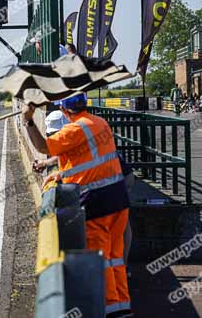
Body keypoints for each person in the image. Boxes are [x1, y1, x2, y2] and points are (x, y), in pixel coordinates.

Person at [22, 94, 131, 317]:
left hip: (95, 203)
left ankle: (111, 309)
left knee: (100, 257)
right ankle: (122, 305)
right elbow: (85, 160)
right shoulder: (99, 123)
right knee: (115, 256)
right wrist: (62, 173)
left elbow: (44, 147)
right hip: (118, 199)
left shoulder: (75, 130)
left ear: (64, 111)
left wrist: (29, 120)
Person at [33, 109, 135, 280]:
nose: (56, 138)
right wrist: (48, 164)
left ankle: (120, 267)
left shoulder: (77, 133)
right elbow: (65, 155)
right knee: (116, 226)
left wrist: (28, 121)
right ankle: (118, 269)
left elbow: (69, 153)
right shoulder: (83, 129)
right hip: (113, 180)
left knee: (120, 226)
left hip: (118, 179)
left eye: (57, 134)